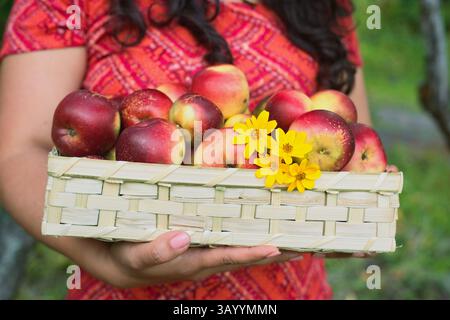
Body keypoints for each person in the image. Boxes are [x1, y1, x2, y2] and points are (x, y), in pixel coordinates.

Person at [0, 0, 375, 299]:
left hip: (289, 288)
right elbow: (17, 151)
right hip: (122, 290)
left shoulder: (324, 6)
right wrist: (104, 262)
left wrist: (352, 216)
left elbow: (355, 143)